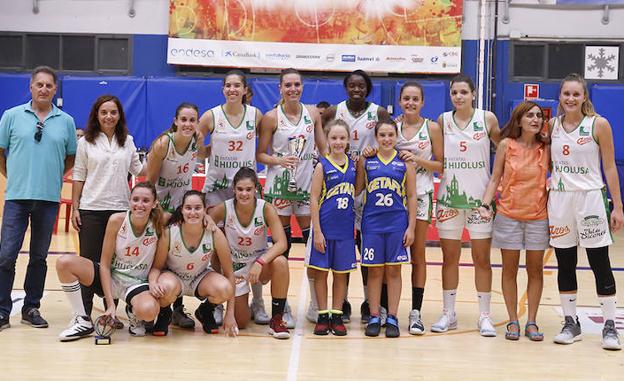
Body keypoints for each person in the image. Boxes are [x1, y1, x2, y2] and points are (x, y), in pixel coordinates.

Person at [548, 73, 623, 350]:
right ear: (560, 96)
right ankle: (571, 322)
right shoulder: (552, 125)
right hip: (560, 200)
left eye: (575, 94)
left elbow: (610, 167)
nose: (570, 98)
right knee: (565, 263)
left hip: (591, 198)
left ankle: (610, 325)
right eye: (566, 94)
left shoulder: (598, 124)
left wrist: (618, 205)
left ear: (584, 97)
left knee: (599, 262)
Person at [0, 66, 77, 331]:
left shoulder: (65, 121)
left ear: (55, 89)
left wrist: (51, 176)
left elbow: (70, 157)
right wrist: (14, 175)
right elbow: (1, 151)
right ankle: (2, 310)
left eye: (49, 85)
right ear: (31, 87)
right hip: (17, 198)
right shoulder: (11, 116)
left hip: (47, 199)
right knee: (6, 256)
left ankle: (31, 307)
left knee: (38, 257)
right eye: (39, 85)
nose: (44, 89)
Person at [257, 68, 326, 327]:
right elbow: (260, 155)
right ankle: (281, 302)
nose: (293, 89)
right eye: (288, 85)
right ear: (280, 88)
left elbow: (323, 147)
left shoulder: (312, 113)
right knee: (281, 250)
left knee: (312, 248)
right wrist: (279, 160)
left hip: (308, 189)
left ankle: (315, 303)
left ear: (303, 86)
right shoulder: (271, 117)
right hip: (281, 189)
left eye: (297, 84)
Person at [432, 74, 500, 337]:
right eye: (454, 93)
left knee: (481, 259)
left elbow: (505, 148)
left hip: (480, 202)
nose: (459, 97)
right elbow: (438, 158)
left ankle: (484, 315)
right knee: (450, 258)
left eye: (463, 92)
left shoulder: (487, 119)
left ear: (473, 94)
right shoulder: (443, 121)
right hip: (449, 199)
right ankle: (449, 313)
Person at [199, 70, 268, 325]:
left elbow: (269, 140)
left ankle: (258, 301)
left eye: (237, 85)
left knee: (255, 245)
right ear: (223, 89)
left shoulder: (256, 115)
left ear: (244, 89)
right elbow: (196, 143)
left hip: (247, 189)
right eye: (228, 85)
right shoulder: (211, 116)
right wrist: (208, 151)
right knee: (219, 249)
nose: (232, 90)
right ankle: (217, 301)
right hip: (217, 189)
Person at [321, 70, 390, 324]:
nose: (357, 89)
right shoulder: (334, 111)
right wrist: (324, 152)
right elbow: (319, 127)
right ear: (346, 87)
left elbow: (388, 136)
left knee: (367, 249)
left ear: (367, 88)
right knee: (345, 248)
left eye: (361, 86)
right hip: (342, 183)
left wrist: (376, 152)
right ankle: (344, 302)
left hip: (369, 185)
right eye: (352, 86)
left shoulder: (379, 112)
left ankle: (369, 302)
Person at [55, 182, 165, 341]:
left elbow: (185, 218)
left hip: (136, 283)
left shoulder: (159, 224)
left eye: (146, 200)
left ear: (154, 203)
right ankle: (82, 319)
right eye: (135, 199)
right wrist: (110, 305)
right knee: (64, 263)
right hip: (111, 277)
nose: (140, 205)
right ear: (129, 201)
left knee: (148, 311)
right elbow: (105, 265)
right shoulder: (117, 220)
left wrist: (209, 221)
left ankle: (134, 312)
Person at [70, 94, 144, 328]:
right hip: (92, 208)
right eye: (104, 112)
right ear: (96, 115)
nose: (109, 116)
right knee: (89, 263)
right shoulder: (86, 142)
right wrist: (75, 206)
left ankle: (110, 313)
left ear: (119, 115)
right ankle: (84, 315)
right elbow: (79, 175)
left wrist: (160, 154)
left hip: (121, 210)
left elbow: (140, 170)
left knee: (113, 264)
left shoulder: (128, 141)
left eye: (113, 112)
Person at [478, 101, 549, 341]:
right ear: (519, 120)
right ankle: (512, 320)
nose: (535, 119)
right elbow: (495, 177)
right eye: (530, 115)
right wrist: (485, 204)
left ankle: (532, 321)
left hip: (538, 216)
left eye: (539, 116)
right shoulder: (506, 145)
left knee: (535, 270)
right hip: (509, 215)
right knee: (509, 269)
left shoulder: (547, 147)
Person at [209, 168, 291, 339]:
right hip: (236, 266)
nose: (244, 193)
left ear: (256, 189)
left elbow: (282, 243)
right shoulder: (224, 208)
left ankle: (276, 319)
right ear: (234, 189)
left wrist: (261, 262)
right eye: (240, 189)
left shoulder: (266, 208)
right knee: (242, 322)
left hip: (259, 263)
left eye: (248, 189)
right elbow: (205, 223)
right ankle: (218, 304)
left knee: (281, 262)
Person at [147, 102, 207, 330]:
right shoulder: (164, 144)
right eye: (184, 119)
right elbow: (149, 183)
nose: (188, 124)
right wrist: (157, 212)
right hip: (161, 209)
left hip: (183, 209)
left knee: (178, 258)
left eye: (192, 120)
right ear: (175, 121)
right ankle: (157, 305)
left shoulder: (195, 141)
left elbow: (205, 153)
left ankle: (177, 310)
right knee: (158, 259)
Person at [357, 119, 417, 338]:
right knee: (374, 271)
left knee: (393, 270)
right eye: (382, 135)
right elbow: (357, 188)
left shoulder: (405, 162)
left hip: (396, 224)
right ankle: (375, 315)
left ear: (396, 136)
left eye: (390, 135)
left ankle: (392, 316)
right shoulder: (368, 161)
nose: (386, 139)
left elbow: (411, 196)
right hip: (372, 223)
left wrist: (411, 227)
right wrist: (360, 159)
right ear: (376, 137)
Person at [149, 190, 237, 336]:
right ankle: (165, 313)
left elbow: (229, 273)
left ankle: (205, 311)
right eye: (188, 208)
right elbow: (156, 267)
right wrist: (153, 283)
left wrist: (230, 313)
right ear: (182, 209)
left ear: (205, 210)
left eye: (197, 208)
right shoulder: (170, 232)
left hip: (199, 277)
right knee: (165, 286)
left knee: (225, 288)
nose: (193, 212)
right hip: (174, 277)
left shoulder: (214, 233)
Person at [394, 82, 443, 335]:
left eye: (415, 99)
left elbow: (442, 165)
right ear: (400, 101)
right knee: (389, 256)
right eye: (406, 99)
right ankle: (386, 310)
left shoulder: (432, 128)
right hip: (393, 195)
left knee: (418, 255)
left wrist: (418, 159)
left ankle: (416, 312)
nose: (410, 103)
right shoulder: (392, 125)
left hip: (422, 194)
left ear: (423, 102)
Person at [307, 120, 357, 336]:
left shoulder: (354, 165)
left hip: (345, 230)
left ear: (348, 141)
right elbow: (314, 199)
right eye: (334, 138)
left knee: (340, 274)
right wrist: (317, 231)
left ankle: (336, 314)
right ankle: (322, 314)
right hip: (325, 230)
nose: (338, 142)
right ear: (327, 140)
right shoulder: (322, 165)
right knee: (320, 274)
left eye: (342, 138)